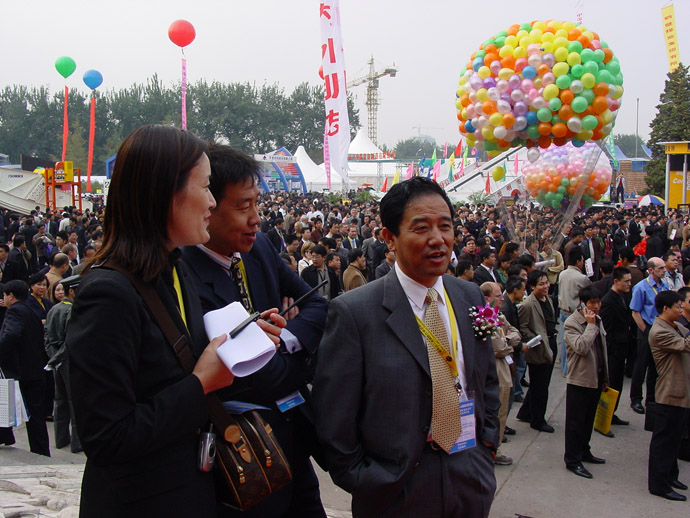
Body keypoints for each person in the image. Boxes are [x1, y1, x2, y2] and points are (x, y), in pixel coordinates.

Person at [66, 125, 235, 516]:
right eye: (205, 186)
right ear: (165, 193)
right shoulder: (108, 294)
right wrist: (200, 383)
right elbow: (106, 436)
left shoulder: (175, 268)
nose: (212, 202)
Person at [313, 177, 500, 517]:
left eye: (445, 226)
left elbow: (484, 376)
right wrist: (365, 480)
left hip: (469, 474)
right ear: (390, 238)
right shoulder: (356, 313)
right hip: (396, 490)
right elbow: (334, 418)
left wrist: (486, 443)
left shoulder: (468, 295)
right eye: (421, 227)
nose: (437, 239)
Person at [181, 142, 329, 518]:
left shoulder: (258, 247)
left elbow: (317, 304)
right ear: (208, 206)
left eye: (257, 204)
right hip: (244, 450)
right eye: (243, 206)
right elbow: (258, 376)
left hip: (294, 432)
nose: (256, 219)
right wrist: (296, 361)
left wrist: (286, 341)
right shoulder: (185, 273)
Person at [647, 290, 690, 501]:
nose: (681, 310)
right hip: (670, 392)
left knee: (674, 439)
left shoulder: (674, 326)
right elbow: (686, 344)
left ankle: (671, 476)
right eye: (678, 307)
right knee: (664, 441)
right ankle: (659, 484)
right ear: (666, 309)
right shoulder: (659, 331)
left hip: (681, 391)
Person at [0, 280, 50, 456]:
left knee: (11, 406)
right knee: (35, 414)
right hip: (35, 368)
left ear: (11, 296)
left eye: (4, 295)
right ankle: (41, 451)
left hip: (21, 371)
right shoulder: (31, 310)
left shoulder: (14, 311)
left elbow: (10, 336)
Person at [563, 286, 609, 479]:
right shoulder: (572, 323)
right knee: (576, 422)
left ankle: (584, 450)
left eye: (598, 302)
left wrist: (605, 377)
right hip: (580, 379)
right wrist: (590, 326)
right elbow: (581, 347)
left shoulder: (597, 319)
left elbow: (602, 349)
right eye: (592, 303)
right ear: (583, 303)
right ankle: (572, 459)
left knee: (589, 419)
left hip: (596, 377)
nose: (596, 306)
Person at [481, 282, 520, 467]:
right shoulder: (484, 317)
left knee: (503, 412)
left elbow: (515, 333)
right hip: (496, 371)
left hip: (506, 368)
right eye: (498, 296)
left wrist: (506, 340)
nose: (502, 299)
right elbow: (497, 347)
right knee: (496, 413)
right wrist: (508, 343)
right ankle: (492, 450)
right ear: (487, 298)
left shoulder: (500, 315)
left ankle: (496, 447)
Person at [45, 275, 82, 453]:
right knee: (75, 401)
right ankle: (77, 442)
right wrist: (58, 358)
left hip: (56, 359)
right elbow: (71, 340)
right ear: (72, 291)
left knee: (60, 401)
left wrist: (53, 358)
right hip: (69, 359)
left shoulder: (54, 309)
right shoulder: (72, 311)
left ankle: (60, 439)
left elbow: (47, 337)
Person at [517, 270, 557, 433]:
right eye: (541, 284)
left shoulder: (548, 299)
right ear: (532, 286)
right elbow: (523, 327)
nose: (546, 286)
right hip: (538, 348)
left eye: (546, 283)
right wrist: (536, 339)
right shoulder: (527, 305)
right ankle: (538, 420)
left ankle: (526, 412)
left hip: (551, 343)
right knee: (540, 386)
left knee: (541, 383)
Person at [629, 257, 668, 415]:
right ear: (651, 270)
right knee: (641, 365)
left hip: (660, 329)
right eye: (660, 268)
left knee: (655, 366)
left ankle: (651, 399)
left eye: (664, 267)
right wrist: (645, 331)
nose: (664, 271)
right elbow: (635, 312)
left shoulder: (664, 285)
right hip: (646, 328)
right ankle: (636, 398)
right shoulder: (641, 287)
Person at [599, 267, 633, 426]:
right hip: (613, 351)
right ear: (616, 281)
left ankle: (612, 414)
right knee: (611, 384)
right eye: (626, 281)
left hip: (621, 348)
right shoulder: (608, 301)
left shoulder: (622, 296)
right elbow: (606, 330)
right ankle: (604, 418)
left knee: (618, 384)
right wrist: (612, 352)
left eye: (630, 281)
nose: (629, 284)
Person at [558, 248, 592, 377]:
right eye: (582, 260)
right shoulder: (582, 278)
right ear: (578, 261)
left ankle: (564, 368)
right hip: (574, 313)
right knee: (573, 343)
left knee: (564, 341)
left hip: (563, 310)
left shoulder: (562, 274)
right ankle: (568, 370)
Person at [502, 276, 527, 402]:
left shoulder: (512, 305)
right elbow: (505, 333)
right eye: (523, 289)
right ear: (515, 290)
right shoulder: (505, 308)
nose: (524, 293)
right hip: (511, 348)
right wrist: (519, 345)